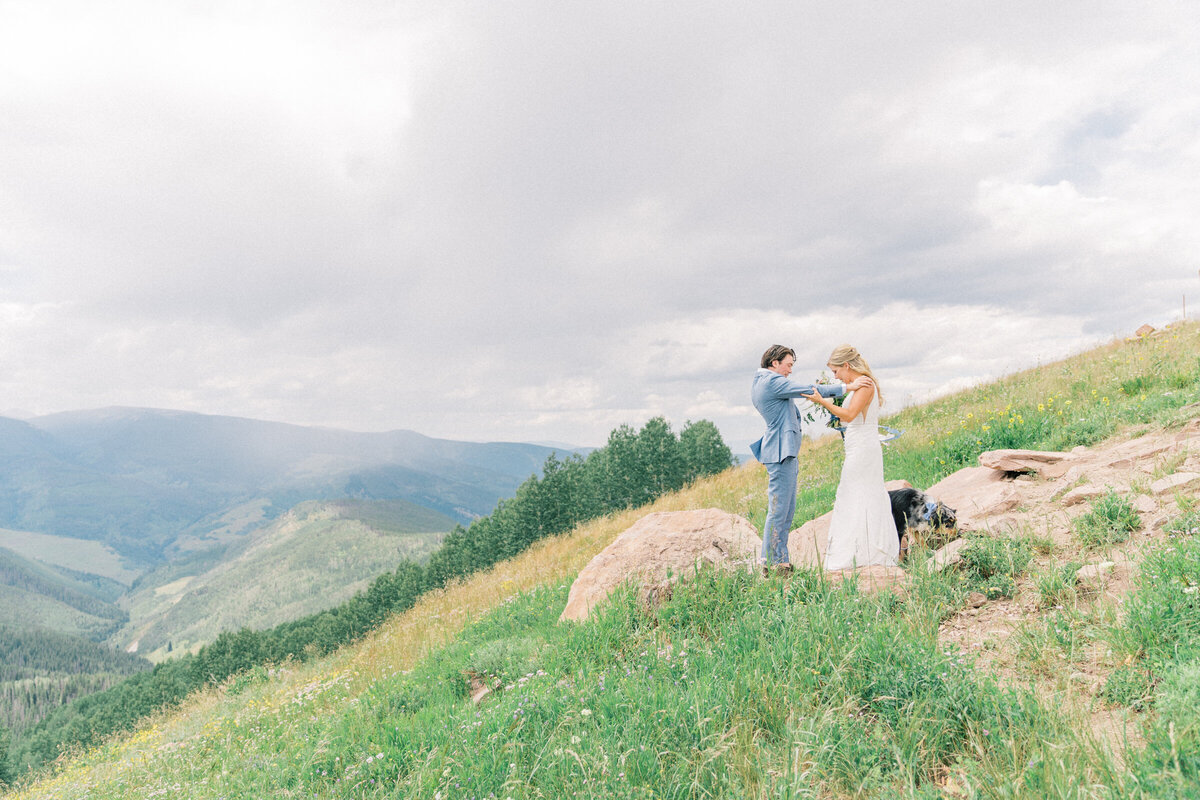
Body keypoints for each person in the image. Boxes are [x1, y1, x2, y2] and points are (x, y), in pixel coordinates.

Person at [751, 344, 870, 576]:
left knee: (785, 508)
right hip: (780, 451)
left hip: (781, 450)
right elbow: (808, 389)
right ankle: (772, 563)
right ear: (774, 363)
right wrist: (848, 386)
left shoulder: (761, 381)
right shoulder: (771, 382)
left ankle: (779, 560)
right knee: (779, 509)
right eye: (788, 365)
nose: (790, 371)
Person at [803, 344, 899, 571]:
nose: (835, 376)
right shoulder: (858, 385)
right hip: (857, 445)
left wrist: (823, 402)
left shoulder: (865, 385)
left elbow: (848, 414)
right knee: (854, 493)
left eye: (836, 371)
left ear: (846, 365)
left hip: (863, 448)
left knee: (857, 493)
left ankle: (865, 552)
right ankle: (860, 550)